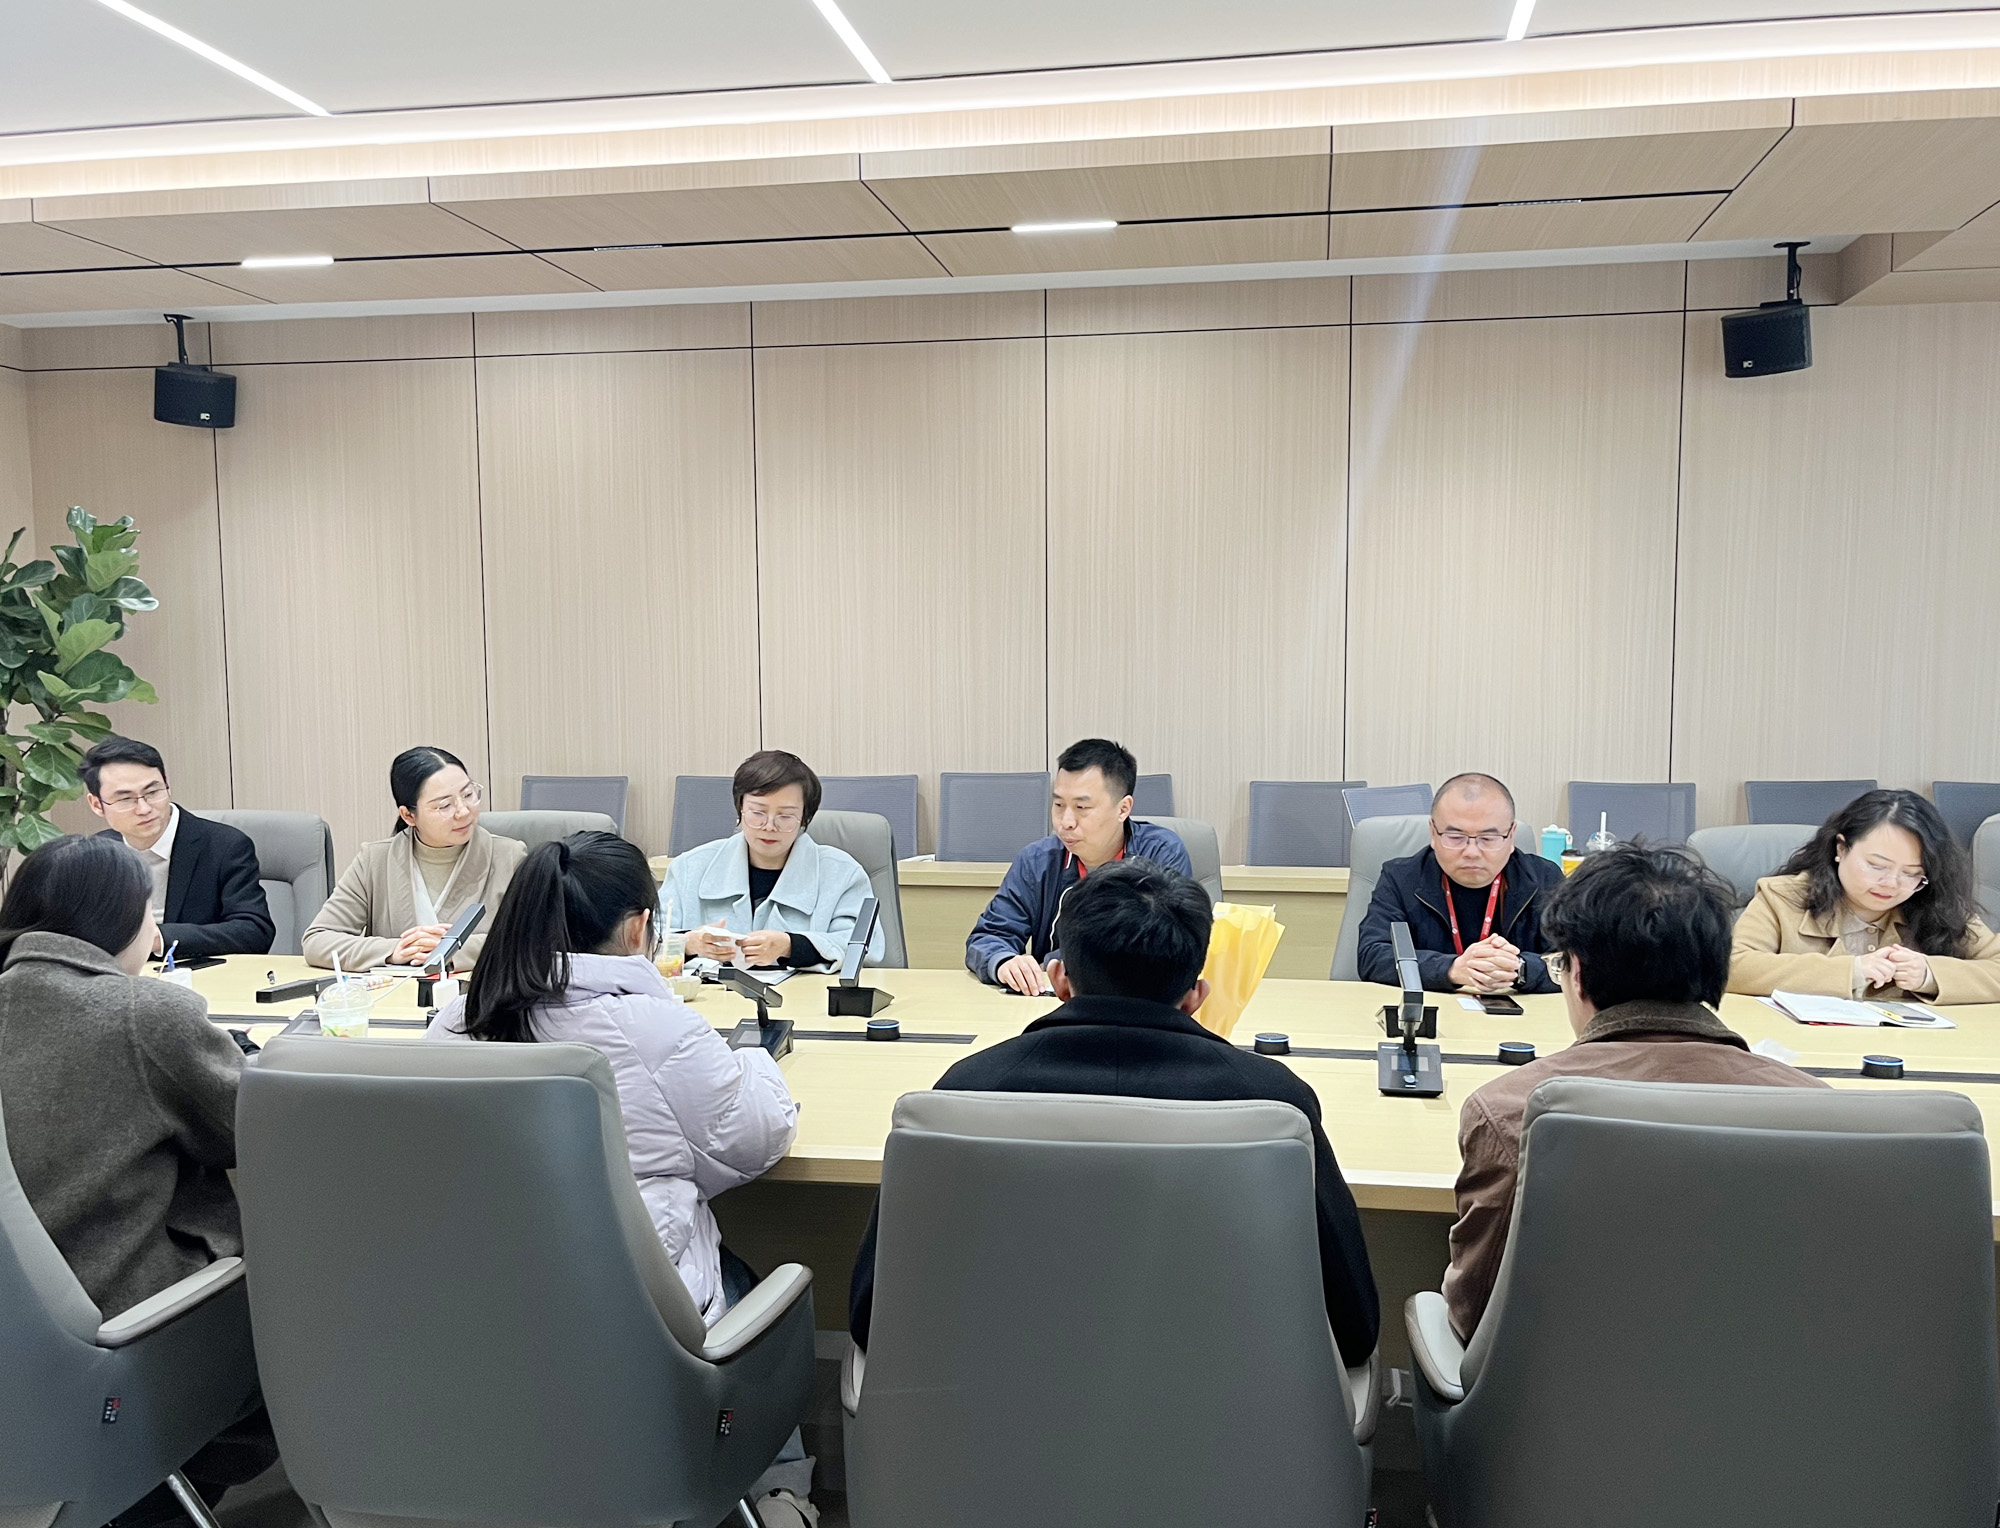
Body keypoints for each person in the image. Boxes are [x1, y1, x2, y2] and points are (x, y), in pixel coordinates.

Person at [426, 831, 809, 1526]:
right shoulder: (661, 1031)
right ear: (638, 929)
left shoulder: (455, 1024)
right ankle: (781, 1496)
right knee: (749, 1282)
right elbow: (758, 1138)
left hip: (483, 1315)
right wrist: (754, 1060)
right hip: (630, 1323)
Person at [856, 859, 1379, 1367]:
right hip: (1227, 1408)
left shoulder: (968, 1092)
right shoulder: (1273, 1103)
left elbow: (871, 1314)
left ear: (1059, 980)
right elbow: (1354, 1326)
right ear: (1197, 996)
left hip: (989, 1405)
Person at [1442, 843, 1827, 1340]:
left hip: (1565, 1385)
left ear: (1577, 974)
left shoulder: (1513, 1109)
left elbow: (1476, 1311)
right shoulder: (1819, 1109)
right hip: (1767, 1376)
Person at [0, 834, 275, 1520]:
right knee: (308, 1310)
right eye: (150, 912)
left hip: (22, 1346)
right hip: (119, 1333)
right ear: (117, 919)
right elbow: (257, 1134)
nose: (157, 932)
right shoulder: (138, 1013)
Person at [1729, 788, 2000, 1004]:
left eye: (1911, 873)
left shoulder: (1938, 905)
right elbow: (1733, 967)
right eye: (1877, 866)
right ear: (1841, 848)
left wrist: (1930, 975)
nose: (1891, 884)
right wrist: (1852, 971)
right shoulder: (1783, 897)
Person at [966, 738, 1193, 994]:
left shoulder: (1159, 854)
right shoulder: (1037, 861)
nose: (1065, 822)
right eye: (1059, 805)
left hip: (1137, 1000)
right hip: (1057, 1004)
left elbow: (1166, 945)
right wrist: (1003, 961)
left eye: (1081, 807)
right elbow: (989, 936)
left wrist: (1054, 963)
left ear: (1123, 809)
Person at [302, 746, 524, 972]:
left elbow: (532, 941)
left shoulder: (509, 856)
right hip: (396, 993)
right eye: (444, 806)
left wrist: (455, 949)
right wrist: (396, 950)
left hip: (474, 991)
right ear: (408, 815)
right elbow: (318, 940)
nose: (464, 811)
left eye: (468, 795)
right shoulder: (375, 860)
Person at [664, 750, 882, 970]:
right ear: (740, 808)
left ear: (804, 818)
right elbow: (649, 944)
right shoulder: (689, 868)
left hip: (806, 992)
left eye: (785, 816)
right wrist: (688, 943)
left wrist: (790, 946)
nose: (769, 826)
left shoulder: (843, 874)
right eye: (757, 812)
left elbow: (864, 948)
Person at [1356, 772, 1562, 994]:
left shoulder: (1545, 878)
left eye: (1488, 838)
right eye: (1455, 837)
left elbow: (1578, 960)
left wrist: (1519, 968)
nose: (1471, 852)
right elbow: (1372, 955)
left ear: (1511, 835)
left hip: (1523, 1012)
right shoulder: (1400, 878)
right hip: (1433, 1009)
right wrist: (1451, 969)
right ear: (1433, 833)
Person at [83, 735, 274, 958]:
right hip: (114, 975)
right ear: (97, 805)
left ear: (167, 785)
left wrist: (158, 938)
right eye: (126, 799)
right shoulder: (94, 856)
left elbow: (254, 931)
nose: (144, 809)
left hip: (196, 973)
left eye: (152, 793)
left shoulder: (224, 846)